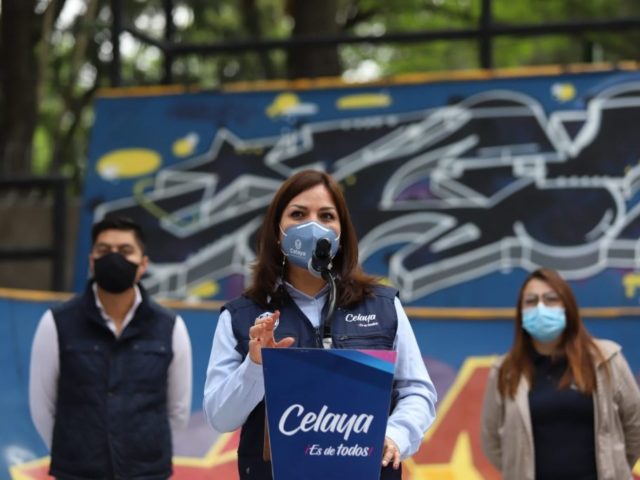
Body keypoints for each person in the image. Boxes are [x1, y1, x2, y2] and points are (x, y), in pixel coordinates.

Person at [203, 169, 437, 480]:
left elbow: (416, 391)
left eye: (326, 216)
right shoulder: (240, 315)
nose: (313, 226)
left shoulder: (383, 306)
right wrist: (255, 366)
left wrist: (395, 435)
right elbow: (220, 418)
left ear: (341, 233)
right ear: (277, 232)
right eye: (298, 214)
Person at [29, 216, 193, 480]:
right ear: (91, 261)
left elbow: (178, 410)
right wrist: (73, 456)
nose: (114, 257)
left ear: (143, 264)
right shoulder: (56, 323)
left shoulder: (170, 327)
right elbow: (42, 406)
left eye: (125, 250)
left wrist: (144, 458)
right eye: (104, 250)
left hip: (147, 474)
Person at [480, 267, 640, 480]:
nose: (541, 308)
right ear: (520, 312)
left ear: (567, 306)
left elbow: (635, 424)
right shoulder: (506, 371)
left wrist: (615, 467)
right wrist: (519, 470)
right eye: (531, 301)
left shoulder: (607, 359)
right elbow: (491, 440)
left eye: (551, 299)